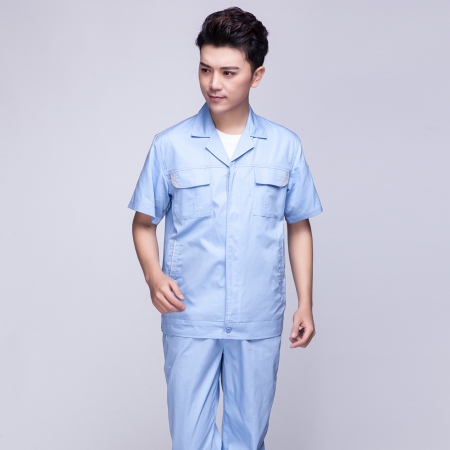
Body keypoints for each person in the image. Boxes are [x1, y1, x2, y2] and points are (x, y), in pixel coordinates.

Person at [127, 6, 323, 450]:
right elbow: (142, 222)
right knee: (189, 441)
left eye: (228, 72)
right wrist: (153, 276)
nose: (213, 83)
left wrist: (306, 302)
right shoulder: (170, 145)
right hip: (189, 314)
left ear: (256, 76)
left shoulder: (284, 147)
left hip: (257, 316)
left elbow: (299, 226)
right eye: (205, 69)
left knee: (247, 441)